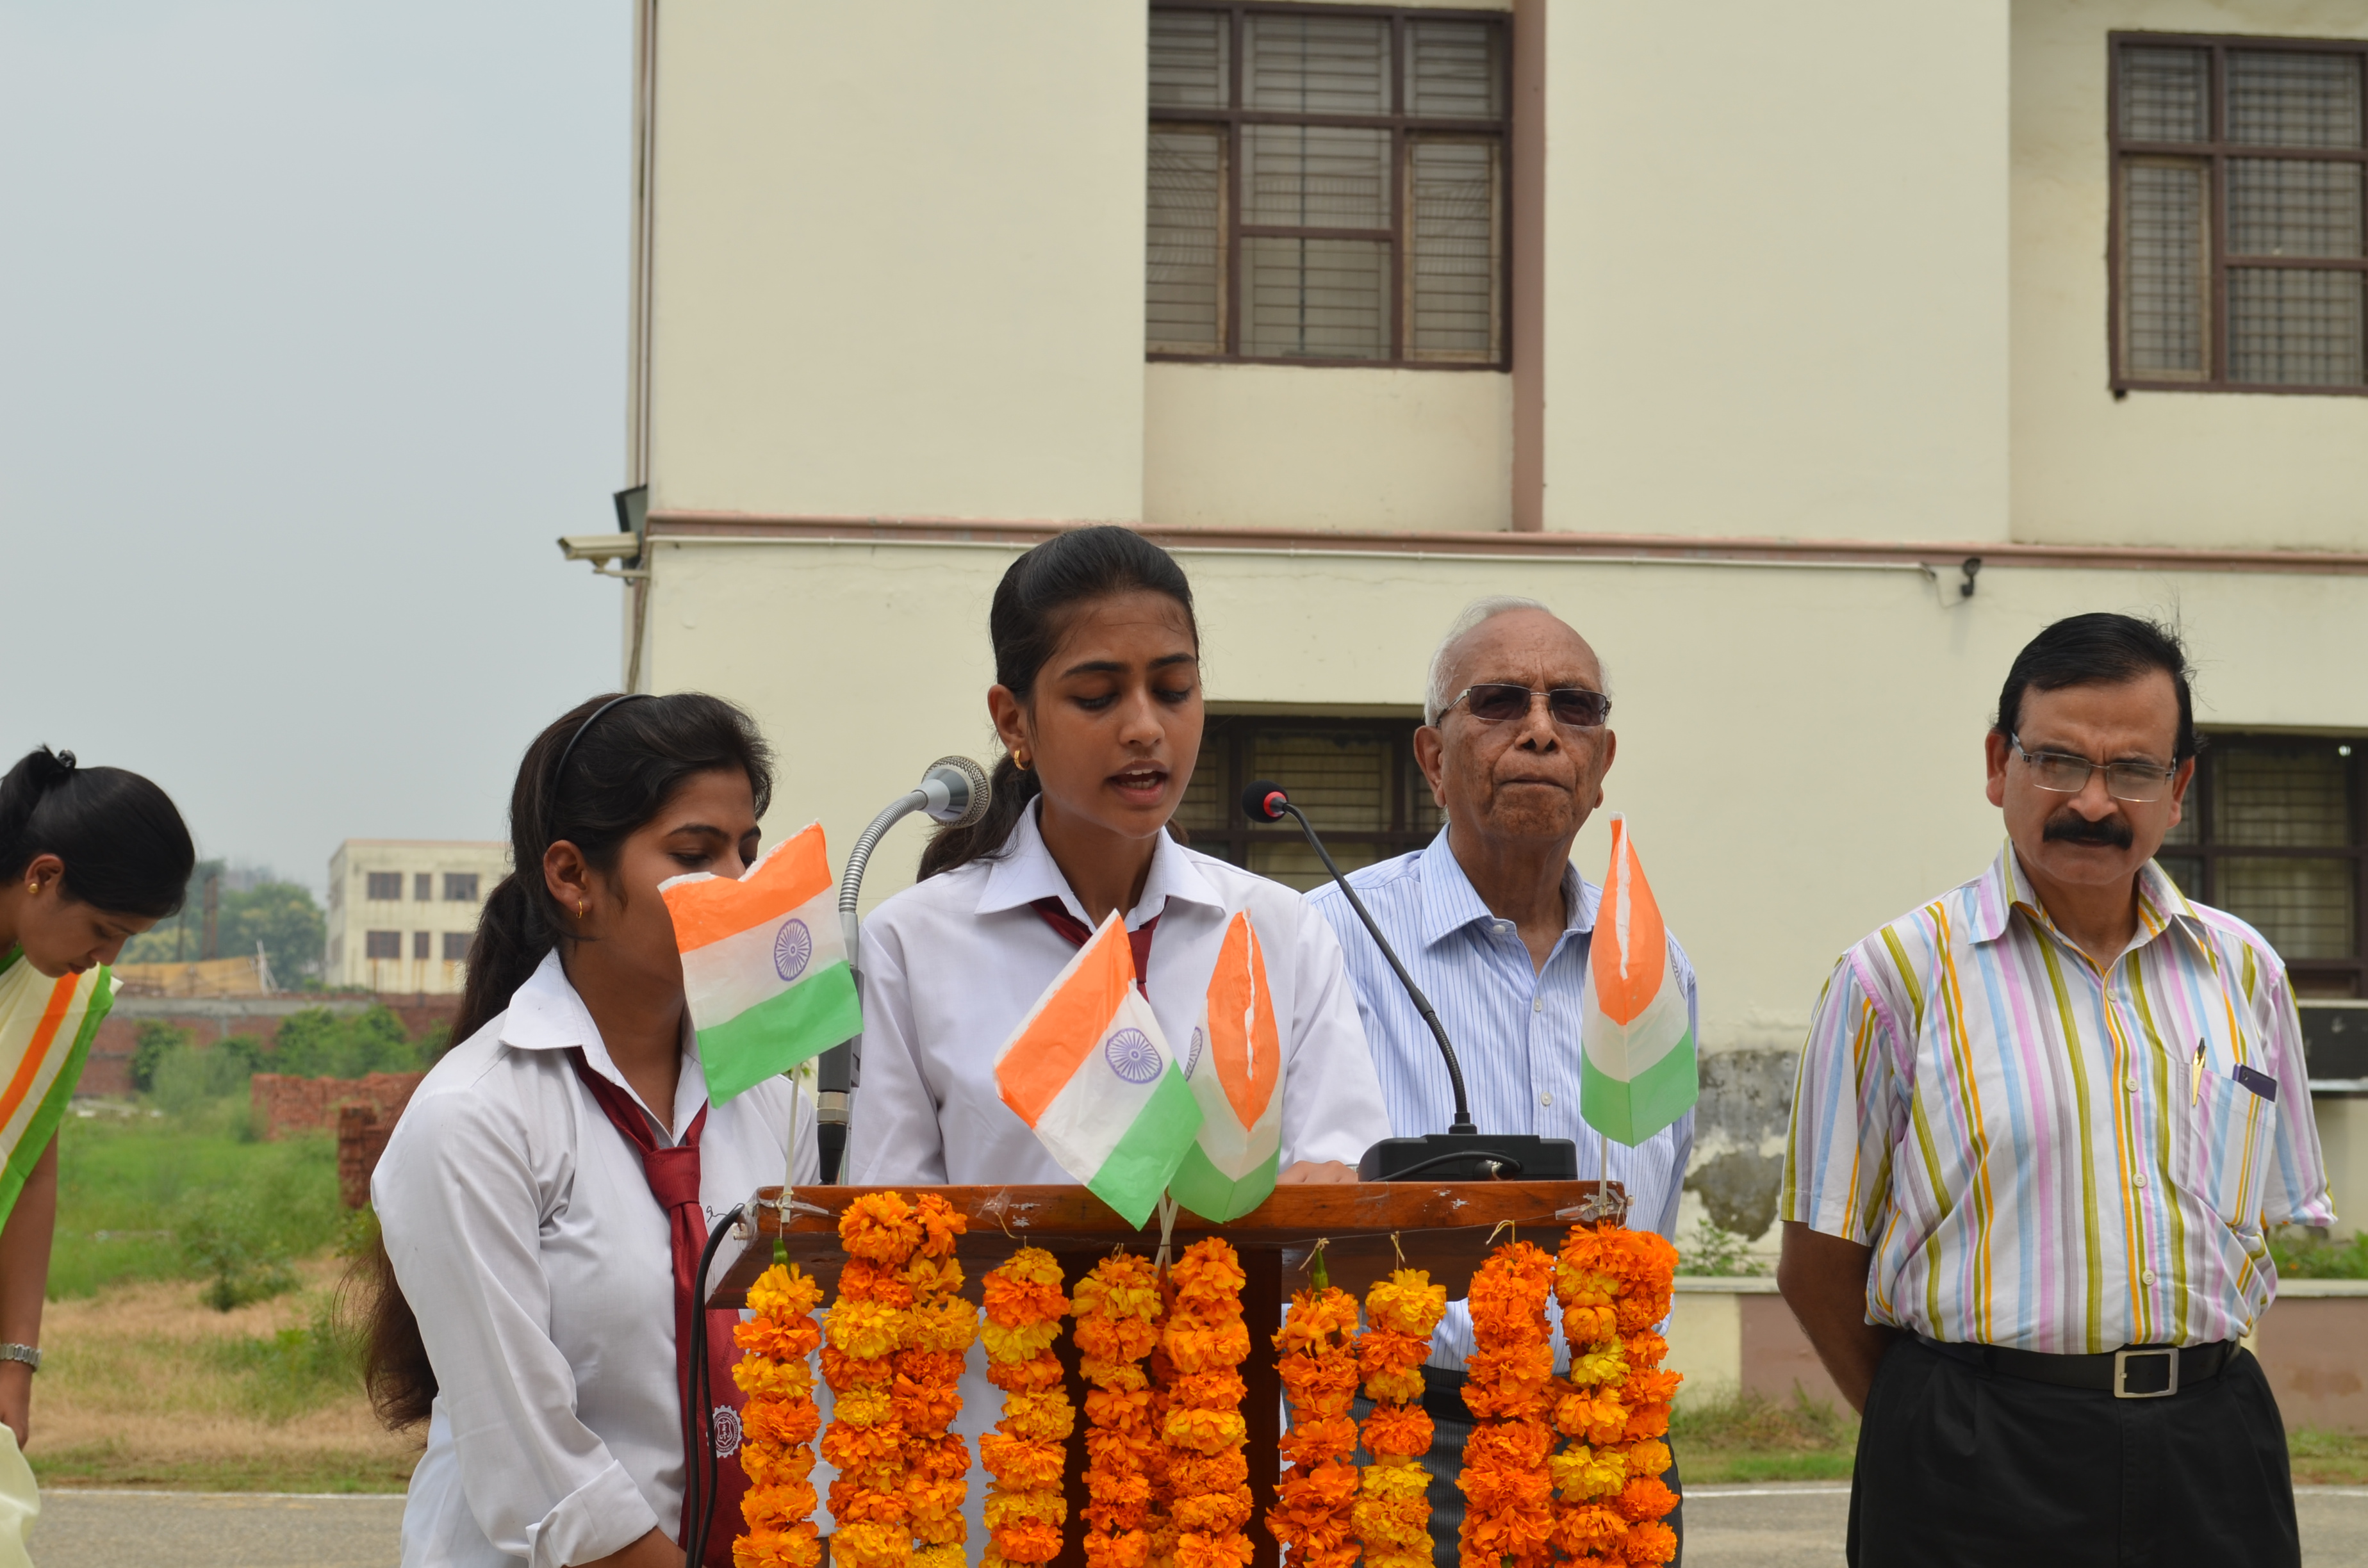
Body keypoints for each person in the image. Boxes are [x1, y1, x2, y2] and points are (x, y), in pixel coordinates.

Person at [845, 525, 1394, 1545]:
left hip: (1222, 1465)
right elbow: (893, 1227)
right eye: (1098, 697)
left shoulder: (1276, 931)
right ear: (1013, 719)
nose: (1145, 728)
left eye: (1173, 690)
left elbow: (1341, 1191)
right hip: (1005, 1469)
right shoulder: (915, 943)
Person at [1779, 613, 2330, 1568]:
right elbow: (1817, 1263)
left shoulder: (2246, 972)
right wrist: (1934, 1428)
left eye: (2134, 770)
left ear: (2179, 789)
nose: (2094, 803)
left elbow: (2252, 1230)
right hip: (1970, 1462)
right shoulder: (1894, 977)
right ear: (2000, 765)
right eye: (2059, 762)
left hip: (2212, 1455)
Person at [368, 693, 819, 1568]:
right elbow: (536, 1467)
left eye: (747, 850)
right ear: (573, 877)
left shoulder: (774, 1105)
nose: (737, 886)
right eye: (694, 854)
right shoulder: (476, 1118)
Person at [1304, 596, 1695, 1568]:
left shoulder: (1653, 963)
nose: (1541, 730)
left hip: (1615, 1440)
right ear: (1432, 759)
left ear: (1602, 764)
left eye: (1574, 707)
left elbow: (1657, 1196)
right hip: (1400, 1440)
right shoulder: (1327, 938)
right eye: (1500, 702)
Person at [0, 746, 193, 1566]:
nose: (104, 960)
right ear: (43, 876)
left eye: (126, 941)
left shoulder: (58, 995)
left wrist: (16, 1364)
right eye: (105, 931)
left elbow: (30, 1165)